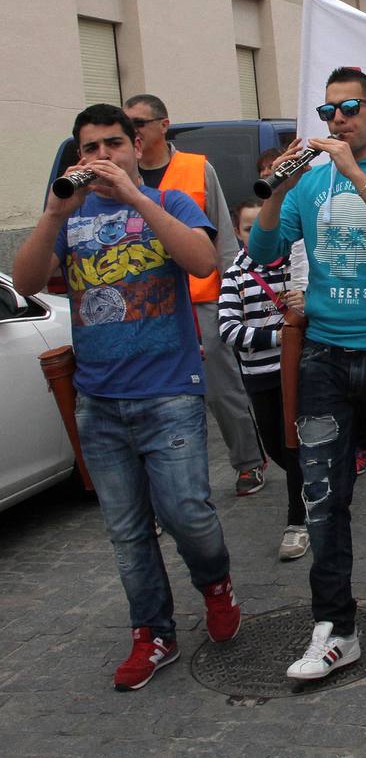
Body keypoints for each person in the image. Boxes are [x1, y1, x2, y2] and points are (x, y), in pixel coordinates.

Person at [12, 104, 241, 691]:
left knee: (187, 512)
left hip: (168, 392)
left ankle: (215, 584)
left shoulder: (169, 204)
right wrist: (51, 215)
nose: (101, 157)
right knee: (127, 529)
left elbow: (202, 261)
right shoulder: (70, 214)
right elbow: (29, 281)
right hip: (99, 399)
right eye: (89, 148)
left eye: (112, 144)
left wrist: (135, 197)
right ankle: (152, 632)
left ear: (136, 146)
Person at [250, 67, 366, 680]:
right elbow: (263, 253)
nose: (339, 119)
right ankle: (335, 628)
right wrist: (279, 189)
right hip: (326, 356)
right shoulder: (311, 183)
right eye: (329, 110)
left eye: (351, 107)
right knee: (323, 496)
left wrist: (356, 174)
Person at [123, 95, 265, 496]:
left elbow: (221, 232)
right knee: (158, 391)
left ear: (163, 125)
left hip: (203, 296)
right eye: (126, 123)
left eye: (139, 122)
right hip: (148, 303)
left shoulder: (195, 168)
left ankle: (249, 461)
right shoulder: (122, 178)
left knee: (222, 387)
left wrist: (234, 290)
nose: (132, 130)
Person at [218, 199, 308, 561]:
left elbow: (319, 313)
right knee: (275, 447)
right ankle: (315, 482)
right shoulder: (235, 275)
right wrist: (279, 338)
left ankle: (297, 523)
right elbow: (227, 329)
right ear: (239, 234)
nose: (256, 234)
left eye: (263, 227)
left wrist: (308, 302)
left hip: (301, 374)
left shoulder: (298, 266)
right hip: (261, 377)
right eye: (248, 228)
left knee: (294, 446)